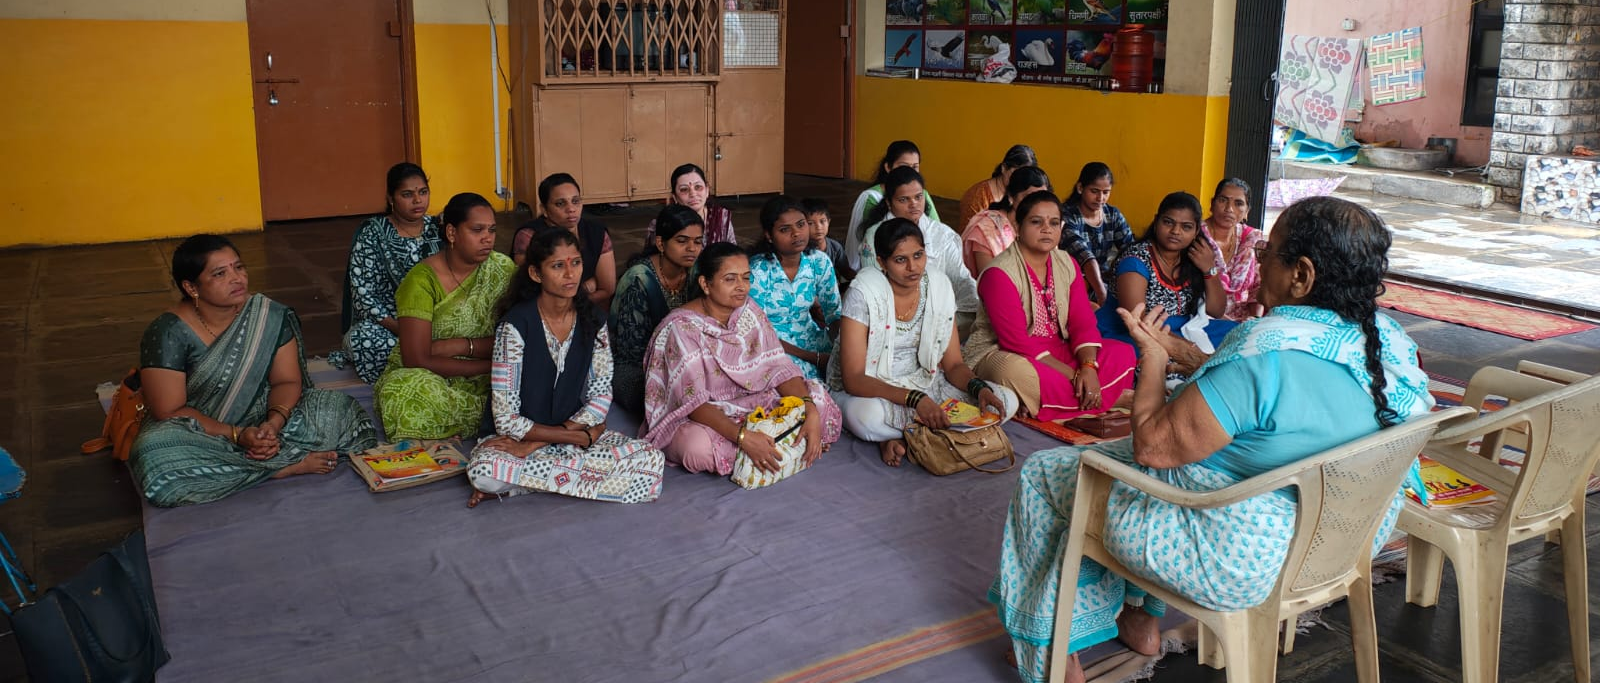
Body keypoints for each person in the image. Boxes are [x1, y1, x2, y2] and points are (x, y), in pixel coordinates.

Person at [988, 196, 1436, 683]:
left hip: (1233, 557)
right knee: (1125, 467)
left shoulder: (1263, 354)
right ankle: (1139, 619)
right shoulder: (1386, 344)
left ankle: (1051, 647)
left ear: (1301, 275)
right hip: (1338, 540)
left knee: (1050, 474)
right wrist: (1179, 350)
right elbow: (1254, 395)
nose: (1259, 262)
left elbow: (1152, 447)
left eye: (1269, 252)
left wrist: (1154, 359)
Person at [130, 235, 378, 507]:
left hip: (262, 418)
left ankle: (252, 462)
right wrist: (238, 435)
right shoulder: (168, 332)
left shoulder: (267, 316)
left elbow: (286, 381)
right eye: (220, 273)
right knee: (155, 453)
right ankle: (279, 466)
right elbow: (169, 410)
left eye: (239, 267)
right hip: (201, 432)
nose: (236, 278)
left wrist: (272, 425)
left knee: (343, 413)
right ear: (191, 287)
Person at [466, 229, 665, 507]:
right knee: (484, 471)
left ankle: (522, 485)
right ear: (536, 273)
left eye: (576, 263)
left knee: (651, 459)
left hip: (561, 435)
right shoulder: (514, 327)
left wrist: (540, 443)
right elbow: (506, 420)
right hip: (519, 438)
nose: (571, 274)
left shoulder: (593, 320)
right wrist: (580, 437)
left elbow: (600, 398)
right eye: (558, 266)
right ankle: (575, 480)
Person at [641, 242, 843, 476]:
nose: (741, 287)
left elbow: (778, 368)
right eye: (730, 279)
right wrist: (744, 437)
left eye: (746, 278)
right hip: (708, 414)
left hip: (756, 402)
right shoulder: (681, 327)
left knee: (818, 402)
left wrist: (808, 409)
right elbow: (693, 404)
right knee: (695, 447)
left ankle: (773, 444)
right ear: (705, 284)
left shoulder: (749, 310)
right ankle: (785, 443)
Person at [832, 219, 1018, 467]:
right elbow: (854, 379)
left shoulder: (939, 287)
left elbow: (953, 365)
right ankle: (919, 433)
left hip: (925, 381)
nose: (913, 267)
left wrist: (980, 389)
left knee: (1006, 400)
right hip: (873, 388)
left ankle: (905, 435)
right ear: (881, 262)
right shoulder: (863, 293)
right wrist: (915, 400)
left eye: (918, 255)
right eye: (900, 260)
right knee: (865, 418)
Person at [964, 192, 1137, 422]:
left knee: (1123, 352)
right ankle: (1110, 399)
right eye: (1036, 222)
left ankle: (1058, 402)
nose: (1046, 229)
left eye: (1054, 223)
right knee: (1014, 373)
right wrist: (1075, 376)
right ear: (1017, 226)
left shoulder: (1067, 263)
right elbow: (1016, 342)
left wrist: (1088, 367)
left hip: (1058, 348)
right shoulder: (999, 273)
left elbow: (1082, 322)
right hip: (1007, 353)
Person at [375, 192, 516, 440]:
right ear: (451, 233)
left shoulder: (502, 269)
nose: (487, 238)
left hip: (491, 372)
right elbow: (416, 359)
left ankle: (476, 419)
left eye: (492, 230)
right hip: (433, 375)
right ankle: (492, 419)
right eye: (477, 230)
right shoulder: (421, 281)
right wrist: (490, 367)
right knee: (403, 391)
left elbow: (519, 338)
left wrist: (461, 346)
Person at [335, 162, 443, 383]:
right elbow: (363, 295)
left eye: (423, 192)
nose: (418, 200)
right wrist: (404, 330)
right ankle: (434, 361)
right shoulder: (372, 234)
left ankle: (426, 359)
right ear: (391, 198)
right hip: (390, 325)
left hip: (436, 320)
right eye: (407, 194)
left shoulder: (439, 228)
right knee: (363, 339)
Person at [1096, 191, 1237, 353]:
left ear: (1196, 231)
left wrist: (1209, 269)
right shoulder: (1135, 261)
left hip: (1182, 328)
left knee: (1237, 334)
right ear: (1156, 222)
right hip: (1134, 333)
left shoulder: (1194, 257)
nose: (1176, 231)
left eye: (1186, 227)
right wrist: (1188, 348)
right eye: (1168, 222)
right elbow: (1138, 323)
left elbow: (1216, 311)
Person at [610, 205, 705, 413]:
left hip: (685, 360)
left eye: (697, 241)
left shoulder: (697, 273)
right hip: (638, 367)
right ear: (661, 243)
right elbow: (631, 350)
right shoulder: (638, 279)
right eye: (682, 241)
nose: (692, 248)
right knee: (669, 402)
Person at [856, 166, 981, 314]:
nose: (913, 204)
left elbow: (961, 279)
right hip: (891, 311)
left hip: (940, 311)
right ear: (889, 203)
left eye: (918, 197)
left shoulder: (942, 234)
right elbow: (874, 285)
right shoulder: (874, 236)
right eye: (904, 199)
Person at [748, 195, 842, 381]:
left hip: (811, 337)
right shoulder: (758, 270)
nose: (797, 233)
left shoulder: (818, 261)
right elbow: (757, 332)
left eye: (801, 224)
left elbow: (833, 313)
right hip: (773, 346)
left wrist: (840, 347)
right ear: (769, 235)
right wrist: (815, 359)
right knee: (795, 376)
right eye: (785, 229)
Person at [509, 173, 617, 309]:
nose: (571, 209)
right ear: (544, 210)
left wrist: (573, 301)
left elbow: (607, 289)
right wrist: (588, 286)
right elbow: (529, 290)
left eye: (575, 201)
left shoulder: (596, 232)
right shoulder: (529, 236)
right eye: (560, 204)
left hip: (587, 310)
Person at [845, 140, 943, 270]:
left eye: (915, 167)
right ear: (888, 167)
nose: (909, 171)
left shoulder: (923, 194)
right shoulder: (871, 197)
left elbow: (936, 230)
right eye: (903, 199)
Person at [961, 165, 1054, 276]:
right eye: (1028, 197)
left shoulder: (1047, 228)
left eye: (1042, 198)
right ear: (1011, 197)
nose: (1036, 205)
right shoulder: (987, 229)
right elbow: (991, 280)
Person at [1057, 162, 1130, 303]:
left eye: (1106, 192)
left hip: (1104, 279)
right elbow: (1086, 258)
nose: (1100, 198)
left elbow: (1129, 249)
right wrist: (1102, 294)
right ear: (1080, 188)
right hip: (1073, 281)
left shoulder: (1113, 215)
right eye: (1094, 191)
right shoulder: (1067, 216)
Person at [1201, 178, 1263, 321]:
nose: (1229, 209)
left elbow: (1258, 288)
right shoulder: (1197, 237)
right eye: (1223, 200)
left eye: (1238, 203)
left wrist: (1254, 319)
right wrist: (1231, 325)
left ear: (1247, 211)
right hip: (1203, 318)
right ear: (1212, 204)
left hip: (1244, 322)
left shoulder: (1251, 239)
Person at [642, 163, 736, 245]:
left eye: (698, 187)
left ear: (707, 190)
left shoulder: (721, 218)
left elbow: (733, 254)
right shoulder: (664, 223)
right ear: (674, 197)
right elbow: (653, 257)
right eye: (684, 189)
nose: (693, 194)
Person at [958, 144, 1037, 231]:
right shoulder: (977, 197)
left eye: (1025, 177)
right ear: (1004, 168)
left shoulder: (1022, 196)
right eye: (1016, 173)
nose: (1020, 180)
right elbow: (969, 235)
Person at [802, 197, 852, 282]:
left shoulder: (835, 247)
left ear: (828, 222)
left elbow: (846, 271)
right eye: (810, 223)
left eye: (822, 221)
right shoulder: (800, 251)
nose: (818, 227)